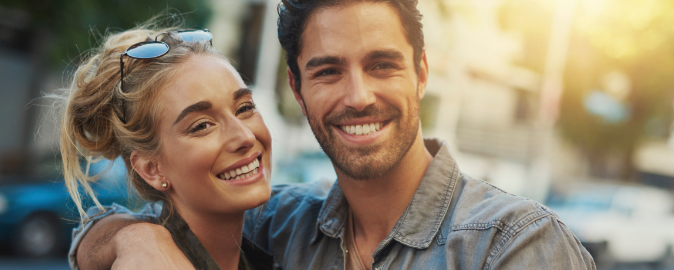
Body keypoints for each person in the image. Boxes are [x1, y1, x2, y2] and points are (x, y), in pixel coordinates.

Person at [71, 0, 597, 269]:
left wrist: (135, 237)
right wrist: (135, 236)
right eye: (328, 71)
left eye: (382, 65)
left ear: (421, 74)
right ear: (298, 91)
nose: (359, 95)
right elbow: (132, 224)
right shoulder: (280, 226)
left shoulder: (512, 244)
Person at [59, 23, 275, 270]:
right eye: (202, 125)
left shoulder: (274, 242)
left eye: (245, 108)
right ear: (152, 169)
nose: (244, 137)